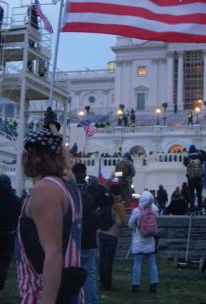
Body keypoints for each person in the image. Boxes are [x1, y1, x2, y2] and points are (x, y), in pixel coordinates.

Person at [14, 129, 83, 304]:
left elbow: (53, 253)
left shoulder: (45, 189)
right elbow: (67, 167)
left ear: (30, 156)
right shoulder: (68, 183)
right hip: (70, 291)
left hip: (42, 293)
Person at [71, 163, 99, 304]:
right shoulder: (92, 189)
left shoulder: (69, 190)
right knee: (89, 273)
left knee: (71, 273)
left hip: (74, 238)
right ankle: (91, 300)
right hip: (90, 239)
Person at [128, 191, 159, 293]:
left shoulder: (137, 211)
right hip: (150, 240)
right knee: (152, 263)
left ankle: (135, 285)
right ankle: (154, 285)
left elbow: (130, 224)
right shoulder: (154, 209)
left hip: (138, 241)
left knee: (137, 264)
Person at [97, 183, 126, 291]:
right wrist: (116, 225)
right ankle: (107, 284)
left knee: (102, 259)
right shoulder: (118, 205)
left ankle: (102, 282)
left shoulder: (104, 201)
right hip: (112, 234)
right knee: (108, 260)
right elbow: (121, 222)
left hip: (101, 232)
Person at [184, 146, 206, 211]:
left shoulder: (188, 157)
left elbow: (184, 163)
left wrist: (185, 154)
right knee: (199, 195)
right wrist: (200, 150)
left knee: (191, 195)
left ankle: (192, 210)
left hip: (190, 179)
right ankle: (200, 210)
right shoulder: (199, 157)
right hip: (199, 179)